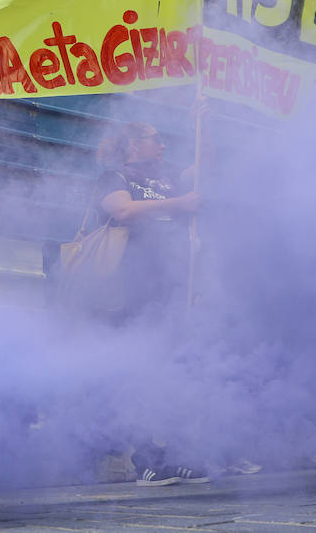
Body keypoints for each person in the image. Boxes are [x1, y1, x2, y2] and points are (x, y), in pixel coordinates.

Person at [90, 121, 209, 487]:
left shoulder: (171, 176)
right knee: (138, 373)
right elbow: (122, 211)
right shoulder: (113, 177)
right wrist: (180, 203)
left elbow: (206, 166)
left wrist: (202, 117)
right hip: (128, 292)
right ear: (133, 145)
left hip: (168, 290)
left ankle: (174, 454)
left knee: (172, 371)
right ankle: (146, 460)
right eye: (155, 138)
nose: (162, 144)